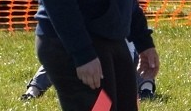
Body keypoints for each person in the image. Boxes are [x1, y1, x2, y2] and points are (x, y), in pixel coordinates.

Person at [22, 40, 157, 102]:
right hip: (86, 55)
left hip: (121, 55)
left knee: (143, 55)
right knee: (60, 55)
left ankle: (146, 89)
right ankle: (34, 90)